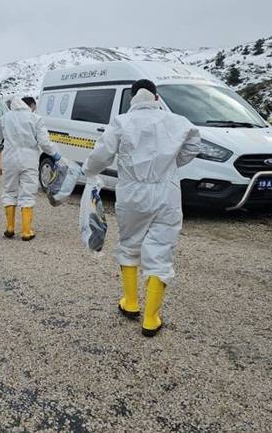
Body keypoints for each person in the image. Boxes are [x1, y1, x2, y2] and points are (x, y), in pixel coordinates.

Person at [82, 79, 200, 337]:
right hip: (167, 191)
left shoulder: (122, 122)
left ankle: (131, 303)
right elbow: (193, 145)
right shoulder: (178, 121)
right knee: (161, 249)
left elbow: (102, 154)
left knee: (129, 244)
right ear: (156, 97)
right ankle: (151, 318)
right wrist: (171, 163)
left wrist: (88, 170)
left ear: (133, 98)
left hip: (132, 193)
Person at [0, 97, 61, 241]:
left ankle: (10, 228)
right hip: (29, 160)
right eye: (34, 107)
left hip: (9, 159)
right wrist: (55, 154)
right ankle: (26, 231)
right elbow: (44, 142)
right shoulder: (36, 119)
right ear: (30, 106)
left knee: (9, 191)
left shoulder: (5, 118)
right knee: (28, 193)